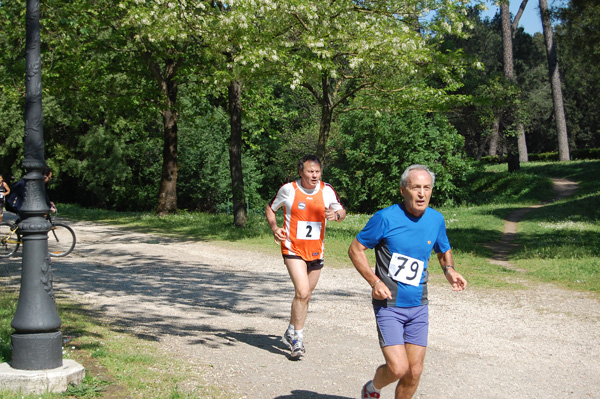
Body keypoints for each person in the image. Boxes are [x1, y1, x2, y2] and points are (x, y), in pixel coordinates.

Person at [348, 164, 467, 399]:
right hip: (389, 305)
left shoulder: (436, 219)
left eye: (427, 188)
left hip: (419, 306)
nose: (422, 193)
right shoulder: (385, 218)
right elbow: (355, 249)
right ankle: (372, 389)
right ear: (403, 190)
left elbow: (443, 250)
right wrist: (374, 282)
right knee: (398, 368)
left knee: (414, 371)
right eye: (415, 188)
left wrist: (450, 271)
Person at [266, 154, 346, 359]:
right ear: (301, 171)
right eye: (310, 171)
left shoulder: (326, 190)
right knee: (302, 292)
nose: (315, 175)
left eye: (318, 172)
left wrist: (336, 215)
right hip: (293, 248)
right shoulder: (288, 190)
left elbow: (341, 211)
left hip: (316, 250)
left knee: (306, 295)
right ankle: (297, 340)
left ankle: (290, 329)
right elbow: (270, 208)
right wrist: (275, 228)